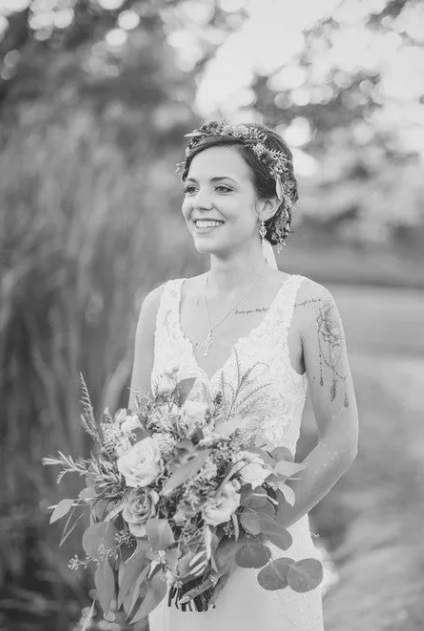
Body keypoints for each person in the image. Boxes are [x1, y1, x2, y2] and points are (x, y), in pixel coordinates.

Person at [128, 121, 359, 631]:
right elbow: (137, 438)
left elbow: (341, 442)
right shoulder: (159, 306)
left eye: (223, 187)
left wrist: (241, 545)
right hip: (179, 567)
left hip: (265, 564)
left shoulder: (307, 305)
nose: (199, 202)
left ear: (267, 205)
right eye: (192, 188)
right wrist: (151, 533)